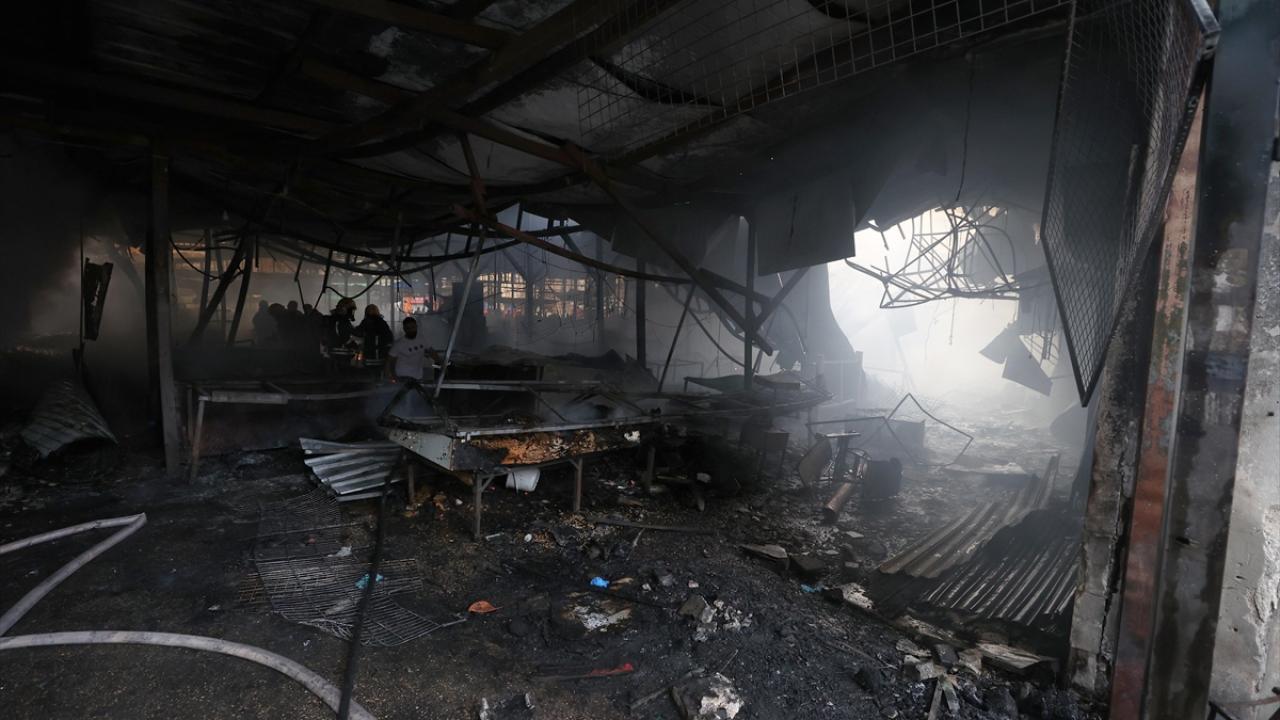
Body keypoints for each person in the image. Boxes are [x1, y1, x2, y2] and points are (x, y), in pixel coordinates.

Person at [388, 316, 435, 383]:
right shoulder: (399, 344)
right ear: (404, 329)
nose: (411, 330)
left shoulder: (422, 339)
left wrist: (442, 363)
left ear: (416, 327)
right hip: (402, 377)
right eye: (408, 328)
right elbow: (389, 361)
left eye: (413, 327)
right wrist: (392, 377)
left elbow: (432, 352)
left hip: (417, 377)